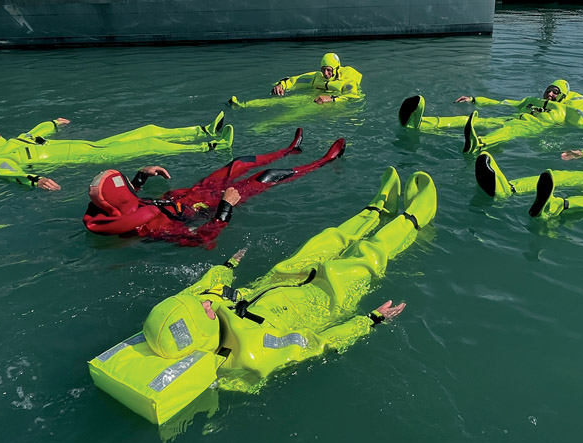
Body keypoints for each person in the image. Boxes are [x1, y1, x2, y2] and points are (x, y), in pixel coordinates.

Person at [88, 167, 436, 424]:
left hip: (276, 281)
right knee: (365, 257)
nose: (207, 301)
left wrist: (228, 265)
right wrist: (368, 320)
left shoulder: (199, 312)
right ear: (198, 333)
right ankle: (412, 219)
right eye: (205, 309)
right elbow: (319, 344)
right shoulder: (254, 354)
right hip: (321, 301)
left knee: (325, 240)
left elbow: (200, 289)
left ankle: (375, 209)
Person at [82, 129, 346, 247]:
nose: (131, 185)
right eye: (127, 184)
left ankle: (289, 149)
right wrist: (225, 208)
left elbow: (118, 203)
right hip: (205, 208)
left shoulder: (111, 211)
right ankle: (324, 161)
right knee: (267, 177)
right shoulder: (152, 228)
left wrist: (140, 177)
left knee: (238, 163)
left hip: (188, 195)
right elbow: (200, 238)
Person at [0, 113, 233, 190]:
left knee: (148, 129)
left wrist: (53, 123)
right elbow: (7, 172)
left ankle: (201, 130)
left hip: (98, 145)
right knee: (148, 145)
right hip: (94, 156)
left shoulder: (16, 140)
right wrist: (33, 180)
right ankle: (209, 146)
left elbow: (37, 132)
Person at [399, 79, 583, 154]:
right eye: (548, 89)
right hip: (513, 118)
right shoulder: (530, 101)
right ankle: (421, 122)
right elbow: (503, 102)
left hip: (528, 128)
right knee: (478, 121)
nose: (550, 93)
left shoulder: (567, 111)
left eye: (555, 92)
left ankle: (480, 143)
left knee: (506, 133)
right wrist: (474, 99)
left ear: (562, 96)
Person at [229, 53, 363, 108]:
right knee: (279, 101)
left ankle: (264, 126)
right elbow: (296, 80)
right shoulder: (317, 77)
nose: (325, 73)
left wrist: (331, 99)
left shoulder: (347, 79)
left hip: (328, 105)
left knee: (293, 113)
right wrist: (281, 85)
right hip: (315, 99)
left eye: (329, 70)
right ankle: (243, 105)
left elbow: (353, 96)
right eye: (323, 70)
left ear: (336, 68)